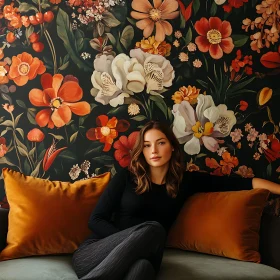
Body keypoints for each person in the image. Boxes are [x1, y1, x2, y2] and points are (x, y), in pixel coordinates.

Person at [72, 120, 280, 280]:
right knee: (153, 229)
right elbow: (96, 220)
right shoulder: (127, 177)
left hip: (146, 257)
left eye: (160, 143)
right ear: (141, 151)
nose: (153, 151)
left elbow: (242, 184)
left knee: (142, 268)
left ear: (172, 147)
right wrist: (129, 242)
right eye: (146, 145)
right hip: (96, 253)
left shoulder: (185, 181)